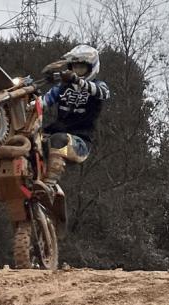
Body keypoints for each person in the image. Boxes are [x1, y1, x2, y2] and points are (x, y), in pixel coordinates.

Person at [34, 45, 111, 205]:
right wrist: (27, 99)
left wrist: (78, 81)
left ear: (91, 68)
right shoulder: (61, 88)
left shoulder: (99, 86)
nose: (77, 70)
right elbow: (42, 103)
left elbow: (102, 93)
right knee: (30, 140)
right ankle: (27, 178)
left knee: (58, 139)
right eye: (74, 67)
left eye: (82, 67)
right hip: (56, 133)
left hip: (81, 142)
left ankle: (48, 185)